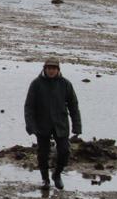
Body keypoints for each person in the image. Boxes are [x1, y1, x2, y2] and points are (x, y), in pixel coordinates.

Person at [24, 58, 82, 190]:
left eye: (54, 68)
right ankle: (45, 179)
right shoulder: (36, 84)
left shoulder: (66, 84)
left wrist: (77, 126)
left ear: (58, 70)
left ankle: (57, 174)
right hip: (42, 125)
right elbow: (29, 107)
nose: (51, 71)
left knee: (64, 151)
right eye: (49, 68)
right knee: (43, 154)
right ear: (44, 69)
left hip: (60, 124)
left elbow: (73, 106)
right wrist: (30, 125)